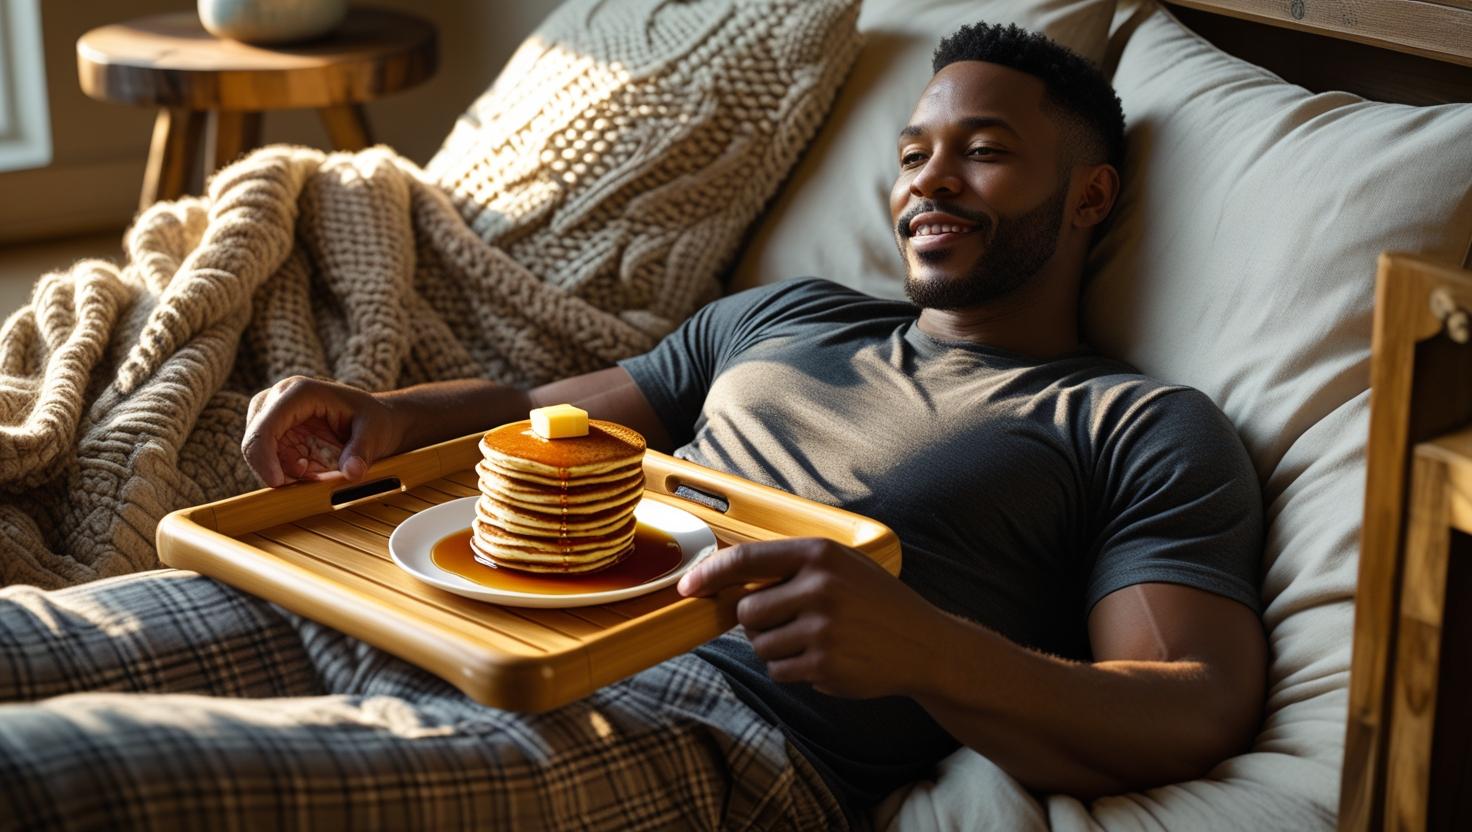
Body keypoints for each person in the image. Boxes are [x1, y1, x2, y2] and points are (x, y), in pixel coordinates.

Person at [0, 22, 1266, 830]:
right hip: (428, 614)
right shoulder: (790, 311)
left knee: (64, 779)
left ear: (1090, 195)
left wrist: (924, 647)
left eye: (981, 152)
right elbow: (541, 416)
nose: (928, 179)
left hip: (695, 736)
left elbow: (1191, 703)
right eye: (915, 152)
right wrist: (384, 415)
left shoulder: (1133, 425)